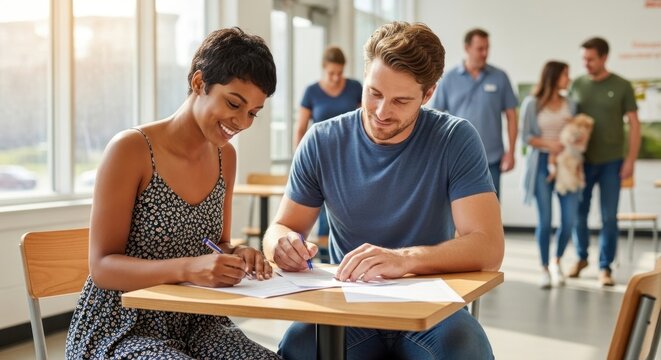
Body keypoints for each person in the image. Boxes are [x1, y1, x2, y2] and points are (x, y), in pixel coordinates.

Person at [264, 21, 504, 360]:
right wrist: (281, 244)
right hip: (348, 306)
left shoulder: (455, 139)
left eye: (400, 101)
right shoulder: (322, 140)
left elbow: (488, 246)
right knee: (299, 347)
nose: (381, 112)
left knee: (466, 349)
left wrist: (403, 260)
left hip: (429, 306)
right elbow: (281, 227)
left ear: (429, 93)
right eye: (374, 93)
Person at [65, 28, 280, 359]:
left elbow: (217, 244)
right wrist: (188, 268)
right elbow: (103, 267)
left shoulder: (226, 157)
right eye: (234, 103)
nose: (241, 122)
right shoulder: (132, 149)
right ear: (198, 83)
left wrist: (238, 254)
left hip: (198, 322)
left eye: (253, 112)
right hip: (120, 327)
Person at [568, 37, 640, 286]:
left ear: (604, 58)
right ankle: (580, 258)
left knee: (609, 216)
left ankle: (605, 267)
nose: (586, 63)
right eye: (583, 59)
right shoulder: (577, 85)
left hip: (612, 162)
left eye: (591, 59)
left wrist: (630, 160)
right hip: (582, 162)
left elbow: (634, 124)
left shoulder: (621, 86)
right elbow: (569, 123)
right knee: (579, 212)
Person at [430, 28, 518, 199]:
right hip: (457, 156)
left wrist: (511, 152)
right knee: (455, 210)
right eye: (480, 49)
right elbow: (436, 116)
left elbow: (512, 116)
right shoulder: (449, 78)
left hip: (491, 158)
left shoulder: (500, 77)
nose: (484, 53)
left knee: (491, 209)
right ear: (467, 48)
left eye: (487, 48)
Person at [294, 46, 362, 261]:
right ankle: (326, 258)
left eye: (339, 73)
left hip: (352, 157)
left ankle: (349, 253)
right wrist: (299, 161)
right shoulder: (311, 92)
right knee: (322, 206)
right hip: (321, 158)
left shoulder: (354, 87)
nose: (335, 78)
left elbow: (364, 121)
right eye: (331, 73)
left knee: (347, 205)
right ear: (324, 68)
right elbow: (300, 128)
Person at [520, 61, 579, 289]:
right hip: (541, 163)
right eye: (566, 74)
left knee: (569, 219)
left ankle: (557, 261)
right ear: (554, 77)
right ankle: (544, 267)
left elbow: (577, 133)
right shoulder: (532, 104)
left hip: (567, 164)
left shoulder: (571, 104)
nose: (569, 79)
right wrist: (550, 145)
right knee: (544, 221)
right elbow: (526, 137)